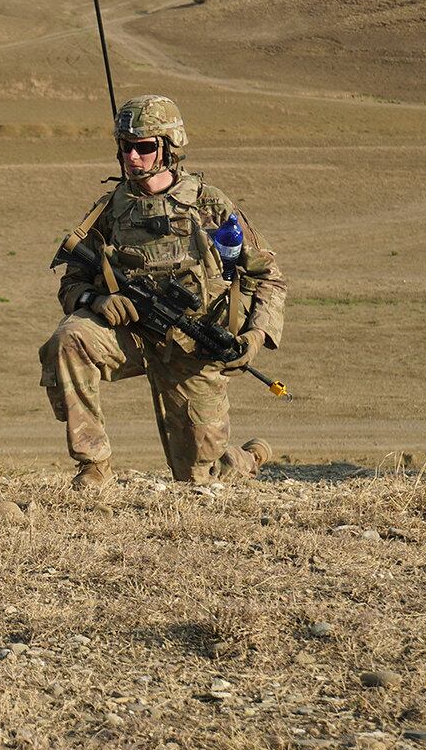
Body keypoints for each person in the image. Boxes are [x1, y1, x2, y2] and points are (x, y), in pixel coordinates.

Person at [39, 95, 286, 488]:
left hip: (191, 344)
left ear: (169, 149)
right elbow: (71, 282)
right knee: (69, 340)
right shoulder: (110, 210)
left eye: (144, 147)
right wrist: (97, 300)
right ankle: (93, 466)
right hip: (131, 336)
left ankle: (248, 457)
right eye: (126, 147)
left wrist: (255, 337)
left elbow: (269, 276)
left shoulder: (210, 205)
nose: (133, 157)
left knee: (198, 477)